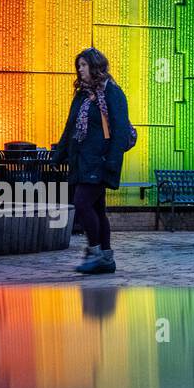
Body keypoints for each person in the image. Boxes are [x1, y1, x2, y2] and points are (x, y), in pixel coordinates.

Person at [52, 48, 133, 275]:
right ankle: (106, 257)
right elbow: (70, 127)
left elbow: (120, 131)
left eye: (84, 65)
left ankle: (96, 253)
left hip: (101, 160)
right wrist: (59, 155)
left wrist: (112, 162)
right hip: (83, 160)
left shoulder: (113, 94)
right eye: (78, 66)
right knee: (97, 209)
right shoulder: (82, 95)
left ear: (95, 67)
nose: (80, 69)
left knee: (82, 203)